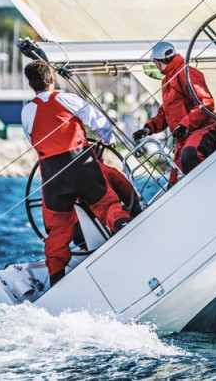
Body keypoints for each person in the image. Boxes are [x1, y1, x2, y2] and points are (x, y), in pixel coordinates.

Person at [21, 60, 131, 286]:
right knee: (106, 205)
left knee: (58, 229)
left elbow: (34, 140)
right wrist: (106, 141)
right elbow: (100, 124)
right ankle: (125, 226)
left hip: (52, 175)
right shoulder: (67, 99)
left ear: (31, 85)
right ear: (52, 78)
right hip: (82, 164)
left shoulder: (27, 111)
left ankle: (56, 280)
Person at [132, 41, 216, 178]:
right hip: (184, 138)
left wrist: (185, 125)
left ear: (159, 62)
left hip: (204, 130)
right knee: (174, 182)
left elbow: (206, 103)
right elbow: (165, 112)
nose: (157, 66)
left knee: (190, 156)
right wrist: (148, 128)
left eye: (156, 62)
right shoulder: (167, 80)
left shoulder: (186, 73)